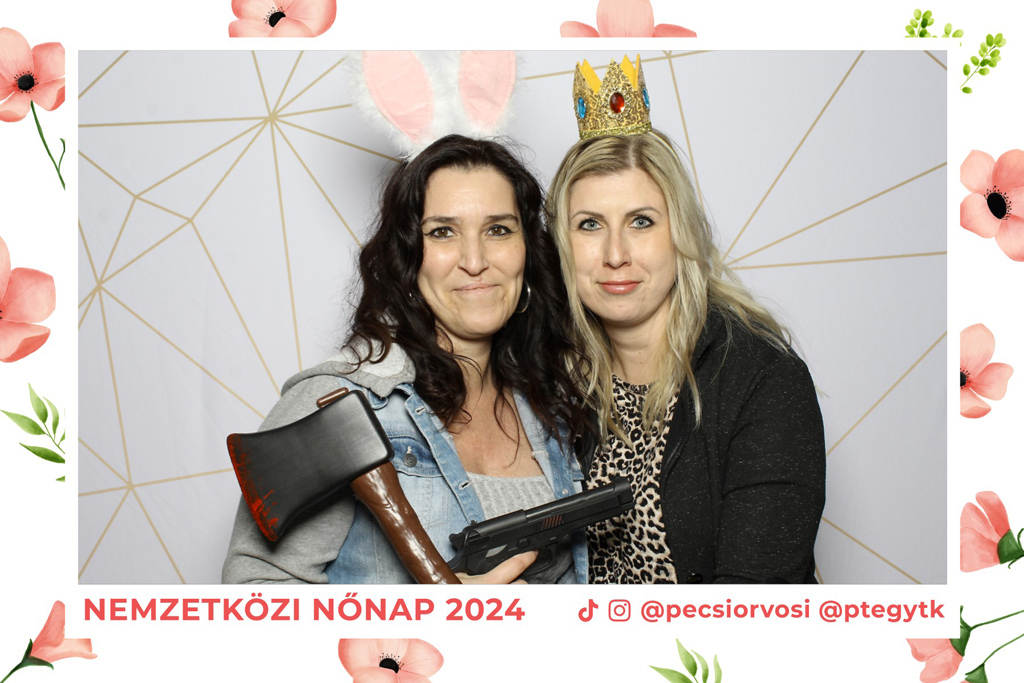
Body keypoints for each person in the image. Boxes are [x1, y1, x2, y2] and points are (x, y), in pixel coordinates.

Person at [223, 135, 590, 584]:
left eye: (498, 229)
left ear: (528, 251)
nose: (475, 260)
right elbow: (252, 596)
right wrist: (419, 615)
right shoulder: (338, 401)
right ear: (406, 255)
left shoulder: (551, 401)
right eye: (442, 232)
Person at [545, 58, 826, 584]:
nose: (615, 254)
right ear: (562, 243)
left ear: (682, 233)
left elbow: (755, 601)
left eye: (641, 222)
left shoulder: (763, 378)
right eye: (589, 225)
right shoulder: (552, 374)